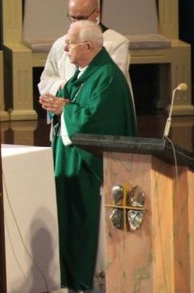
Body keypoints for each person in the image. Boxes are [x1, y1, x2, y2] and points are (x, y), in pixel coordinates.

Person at [39, 20, 136, 291]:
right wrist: (54, 105)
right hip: (72, 166)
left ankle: (90, 283)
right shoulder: (86, 74)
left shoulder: (107, 78)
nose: (65, 47)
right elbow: (68, 101)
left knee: (88, 229)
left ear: (89, 46)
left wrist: (64, 110)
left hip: (92, 174)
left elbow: (99, 122)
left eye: (70, 43)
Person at [38, 0, 130, 97]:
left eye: (81, 18)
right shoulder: (60, 44)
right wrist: (63, 86)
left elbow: (110, 85)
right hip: (65, 109)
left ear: (97, 13)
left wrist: (72, 91)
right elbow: (46, 80)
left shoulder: (117, 44)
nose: (77, 23)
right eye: (73, 18)